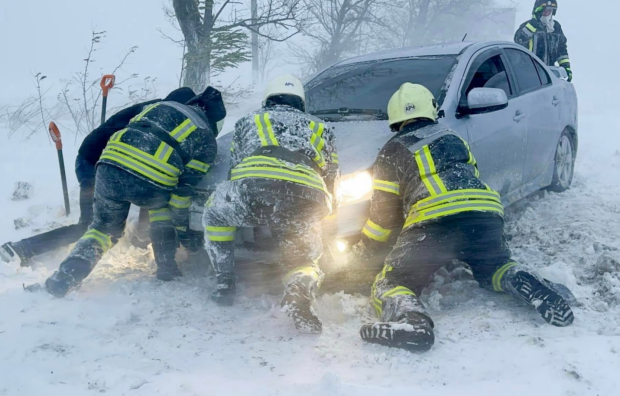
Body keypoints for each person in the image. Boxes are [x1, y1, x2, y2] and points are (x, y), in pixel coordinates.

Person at [350, 83, 575, 352]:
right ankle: (526, 282)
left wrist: (364, 250)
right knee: (494, 267)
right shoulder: (453, 137)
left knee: (393, 282)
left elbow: (383, 219)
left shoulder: (392, 150)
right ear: (430, 109)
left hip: (434, 223)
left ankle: (412, 323)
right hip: (485, 214)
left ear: (395, 117)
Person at [44, 86, 226, 297]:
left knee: (103, 229)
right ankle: (167, 267)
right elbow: (181, 195)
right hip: (150, 181)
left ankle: (67, 276)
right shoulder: (206, 139)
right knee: (161, 208)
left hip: (107, 168)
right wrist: (184, 232)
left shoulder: (157, 107)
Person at [203, 75, 340, 333]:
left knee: (215, 214)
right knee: (304, 258)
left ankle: (224, 281)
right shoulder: (323, 127)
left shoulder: (249, 121)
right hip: (306, 195)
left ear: (267, 100)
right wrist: (326, 219)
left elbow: (236, 168)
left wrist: (249, 204)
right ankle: (299, 290)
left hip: (254, 187)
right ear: (300, 102)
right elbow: (332, 179)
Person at [0, 88, 197, 266]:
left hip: (117, 165)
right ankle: (21, 248)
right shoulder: (158, 116)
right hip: (94, 164)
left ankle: (140, 238)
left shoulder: (159, 112)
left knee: (150, 187)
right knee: (90, 226)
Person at [515, 0, 572, 81]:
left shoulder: (556, 27)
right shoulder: (528, 26)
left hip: (550, 75)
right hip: (530, 73)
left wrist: (566, 67)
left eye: (549, 11)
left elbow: (561, 50)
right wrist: (533, 25)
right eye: (544, 10)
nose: (546, 13)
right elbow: (519, 40)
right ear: (537, 11)